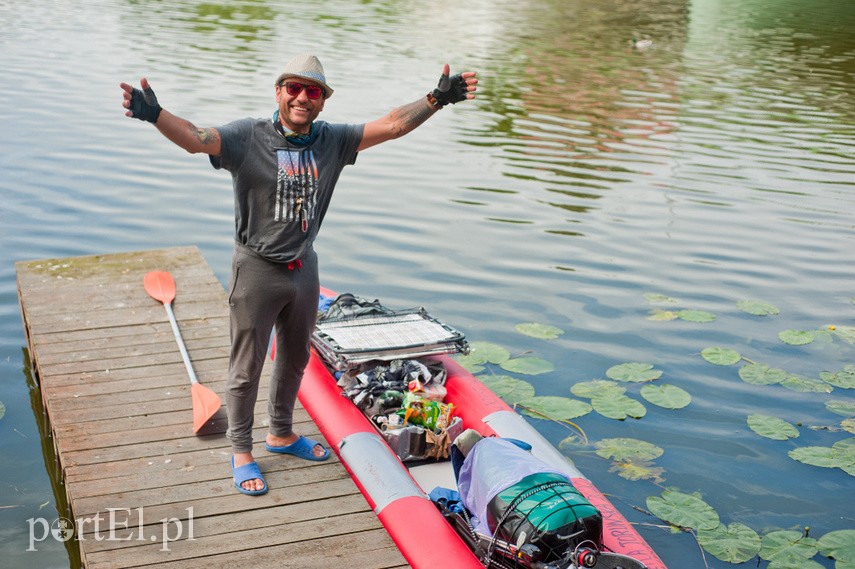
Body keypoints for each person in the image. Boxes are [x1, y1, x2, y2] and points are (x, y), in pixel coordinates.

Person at [120, 54, 478, 496]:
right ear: (278, 92)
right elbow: (196, 139)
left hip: (304, 268)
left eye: (313, 91)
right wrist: (156, 114)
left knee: (295, 358)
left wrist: (435, 100)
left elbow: (391, 125)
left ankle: (281, 433)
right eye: (293, 88)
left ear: (323, 101)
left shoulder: (332, 140)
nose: (302, 98)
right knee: (246, 367)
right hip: (256, 269)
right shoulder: (247, 137)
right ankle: (241, 451)